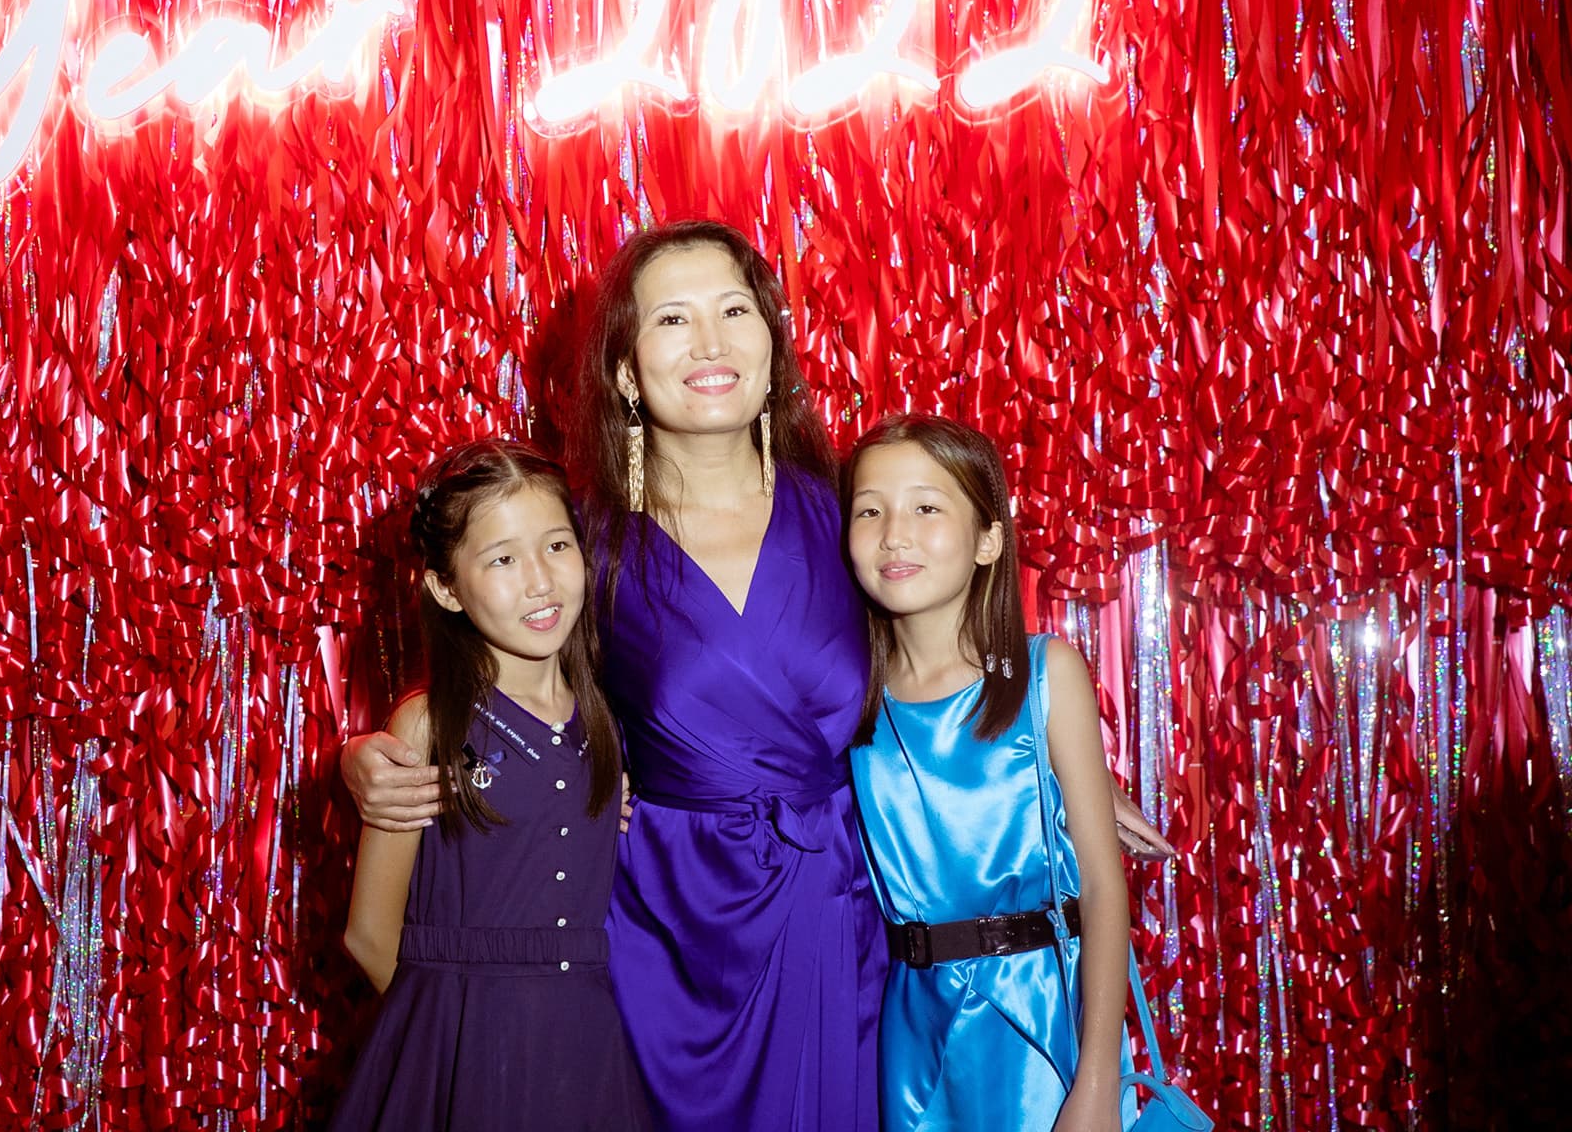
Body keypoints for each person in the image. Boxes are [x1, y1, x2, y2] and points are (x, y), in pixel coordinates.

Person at [341, 222, 1170, 1129]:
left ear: (773, 343)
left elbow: (943, 656)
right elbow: (503, 676)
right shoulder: (583, 540)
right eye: (672, 319)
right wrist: (369, 753)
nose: (710, 342)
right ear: (625, 369)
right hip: (668, 939)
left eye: (734, 310)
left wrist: (1046, 771)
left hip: (843, 919)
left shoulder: (851, 513)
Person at [333, 440, 651, 1132]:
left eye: (557, 546)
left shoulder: (606, 721)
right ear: (446, 588)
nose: (540, 581)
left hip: (587, 1053)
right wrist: (452, 1036)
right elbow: (368, 934)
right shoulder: (426, 725)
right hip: (463, 1058)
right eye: (503, 559)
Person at [844, 414, 1127, 1132]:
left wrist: (1097, 1080)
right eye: (870, 511)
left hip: (1041, 1024)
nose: (894, 534)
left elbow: (1102, 887)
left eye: (926, 508)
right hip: (913, 1036)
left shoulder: (1044, 675)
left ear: (989, 539)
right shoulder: (848, 698)